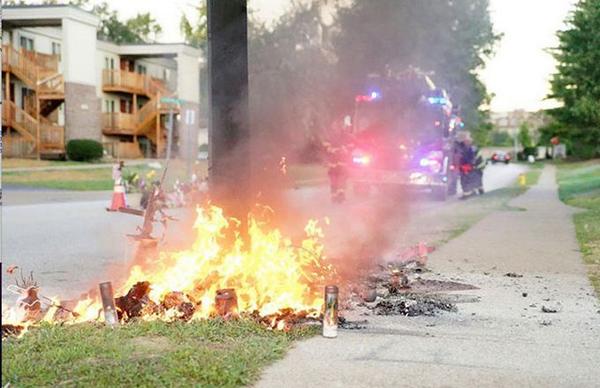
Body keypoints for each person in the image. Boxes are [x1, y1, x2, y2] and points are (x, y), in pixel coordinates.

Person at [322, 121, 355, 203]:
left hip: (342, 163)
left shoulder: (346, 136)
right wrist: (332, 150)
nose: (335, 128)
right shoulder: (330, 137)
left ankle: (340, 195)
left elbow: (351, 146)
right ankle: (335, 196)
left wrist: (345, 149)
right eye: (334, 127)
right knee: (334, 181)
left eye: (337, 127)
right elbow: (325, 146)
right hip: (333, 164)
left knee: (341, 180)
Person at [456, 131, 484, 199]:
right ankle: (471, 192)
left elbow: (473, 159)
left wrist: (471, 166)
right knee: (470, 179)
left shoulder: (471, 148)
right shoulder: (467, 147)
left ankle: (469, 193)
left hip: (473, 166)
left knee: (471, 178)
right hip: (471, 166)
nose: (463, 143)